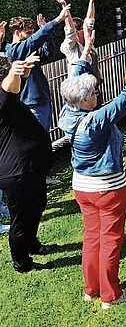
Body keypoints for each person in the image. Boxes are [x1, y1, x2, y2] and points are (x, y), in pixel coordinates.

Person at [58, 33, 126, 308]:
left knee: (91, 237)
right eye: (94, 93)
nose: (97, 94)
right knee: (110, 240)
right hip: (108, 188)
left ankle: (91, 288)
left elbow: (77, 74)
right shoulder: (94, 121)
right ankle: (110, 295)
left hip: (82, 188)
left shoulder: (68, 112)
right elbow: (125, 99)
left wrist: (87, 47)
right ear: (85, 100)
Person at [0, 53, 54, 273]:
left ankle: (32, 244)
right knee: (20, 219)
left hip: (30, 168)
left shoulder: (7, 98)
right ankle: (21, 262)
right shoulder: (2, 98)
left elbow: (13, 88)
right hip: (16, 172)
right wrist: (15, 71)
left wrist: (24, 70)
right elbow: (8, 89)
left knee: (37, 204)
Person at [5, 1, 70, 130]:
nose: (32, 35)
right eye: (28, 32)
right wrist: (57, 20)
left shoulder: (28, 48)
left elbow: (47, 53)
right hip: (29, 103)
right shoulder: (11, 51)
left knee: (44, 138)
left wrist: (44, 30)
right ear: (17, 32)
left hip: (42, 99)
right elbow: (33, 42)